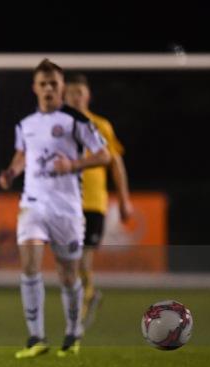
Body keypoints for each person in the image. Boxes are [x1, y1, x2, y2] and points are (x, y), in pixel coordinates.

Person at [0, 59, 111, 358]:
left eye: (54, 84)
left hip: (68, 209)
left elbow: (104, 156)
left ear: (61, 88)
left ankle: (73, 331)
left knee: (68, 275)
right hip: (33, 204)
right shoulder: (26, 124)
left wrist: (73, 164)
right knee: (29, 264)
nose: (49, 89)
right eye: (43, 84)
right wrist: (11, 172)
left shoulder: (78, 121)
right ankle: (36, 337)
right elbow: (23, 155)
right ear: (35, 88)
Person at [64, 73, 133, 329]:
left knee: (82, 258)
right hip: (65, 203)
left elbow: (116, 164)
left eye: (80, 93)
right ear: (65, 96)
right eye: (71, 93)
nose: (76, 97)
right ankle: (89, 295)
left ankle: (82, 306)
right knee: (69, 260)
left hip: (93, 202)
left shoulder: (100, 125)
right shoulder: (57, 126)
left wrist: (124, 199)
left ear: (88, 95)